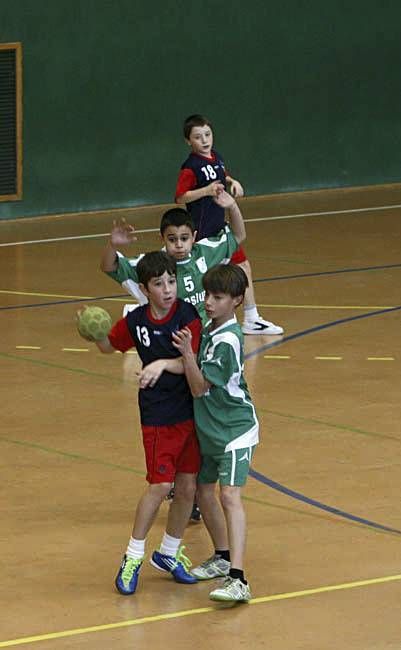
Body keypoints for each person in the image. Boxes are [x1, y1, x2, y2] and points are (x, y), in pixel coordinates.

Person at [78, 251, 203, 595]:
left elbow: (188, 361)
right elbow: (109, 347)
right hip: (159, 414)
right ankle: (133, 555)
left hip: (191, 411)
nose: (168, 289)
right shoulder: (136, 321)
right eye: (159, 284)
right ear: (146, 289)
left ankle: (169, 552)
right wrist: (94, 332)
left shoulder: (187, 315)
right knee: (161, 486)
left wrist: (162, 363)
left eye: (171, 282)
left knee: (187, 487)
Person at [172, 264, 259, 604]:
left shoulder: (227, 341)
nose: (208, 301)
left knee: (229, 496)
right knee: (203, 491)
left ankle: (239, 579)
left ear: (237, 301)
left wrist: (187, 353)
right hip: (210, 429)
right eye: (208, 294)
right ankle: (222, 556)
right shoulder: (211, 326)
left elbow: (197, 387)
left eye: (218, 297)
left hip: (235, 429)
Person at [175, 113, 284, 336]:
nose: (204, 140)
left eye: (207, 134)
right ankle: (146, 312)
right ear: (189, 141)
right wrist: (206, 191)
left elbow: (223, 176)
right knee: (195, 283)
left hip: (220, 230)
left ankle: (252, 318)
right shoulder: (190, 167)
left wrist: (233, 182)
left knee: (243, 266)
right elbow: (180, 197)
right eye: (198, 137)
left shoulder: (216, 157)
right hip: (203, 235)